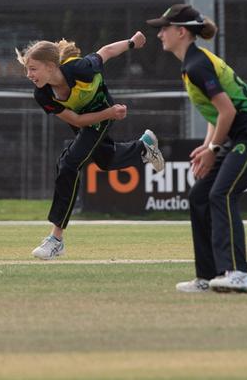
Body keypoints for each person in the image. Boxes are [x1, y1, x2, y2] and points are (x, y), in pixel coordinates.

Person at [146, 4, 247, 293]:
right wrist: (208, 146)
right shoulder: (191, 63)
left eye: (164, 28)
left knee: (222, 193)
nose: (160, 35)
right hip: (239, 135)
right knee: (200, 196)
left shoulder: (196, 65)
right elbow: (215, 114)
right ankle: (208, 277)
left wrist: (213, 149)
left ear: (181, 32)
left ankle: (238, 274)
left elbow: (228, 111)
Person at [16, 33, 165, 260]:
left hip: (102, 113)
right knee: (105, 161)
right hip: (89, 119)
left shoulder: (80, 69)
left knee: (68, 164)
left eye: (33, 69)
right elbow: (76, 120)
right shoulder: (43, 94)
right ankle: (144, 148)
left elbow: (106, 51)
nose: (29, 75)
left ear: (49, 66)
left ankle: (55, 239)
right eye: (27, 69)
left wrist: (132, 42)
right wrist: (110, 113)